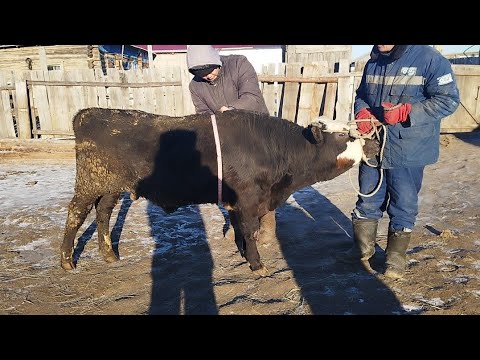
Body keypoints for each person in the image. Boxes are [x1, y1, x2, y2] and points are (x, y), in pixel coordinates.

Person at [339, 45, 460, 279]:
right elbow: (362, 95)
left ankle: (395, 259)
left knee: (403, 203)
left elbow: (448, 100)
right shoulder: (373, 61)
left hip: (409, 148)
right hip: (374, 143)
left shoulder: (430, 60)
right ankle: (362, 249)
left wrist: (407, 112)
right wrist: (362, 112)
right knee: (367, 197)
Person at [186, 45, 276, 243]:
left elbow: (252, 97)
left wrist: (232, 110)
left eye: (209, 71)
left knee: (260, 181)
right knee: (230, 182)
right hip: (228, 140)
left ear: (216, 61)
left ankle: (267, 222)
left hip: (256, 130)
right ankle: (237, 223)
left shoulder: (239, 64)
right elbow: (203, 114)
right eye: (200, 74)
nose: (207, 76)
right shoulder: (195, 86)